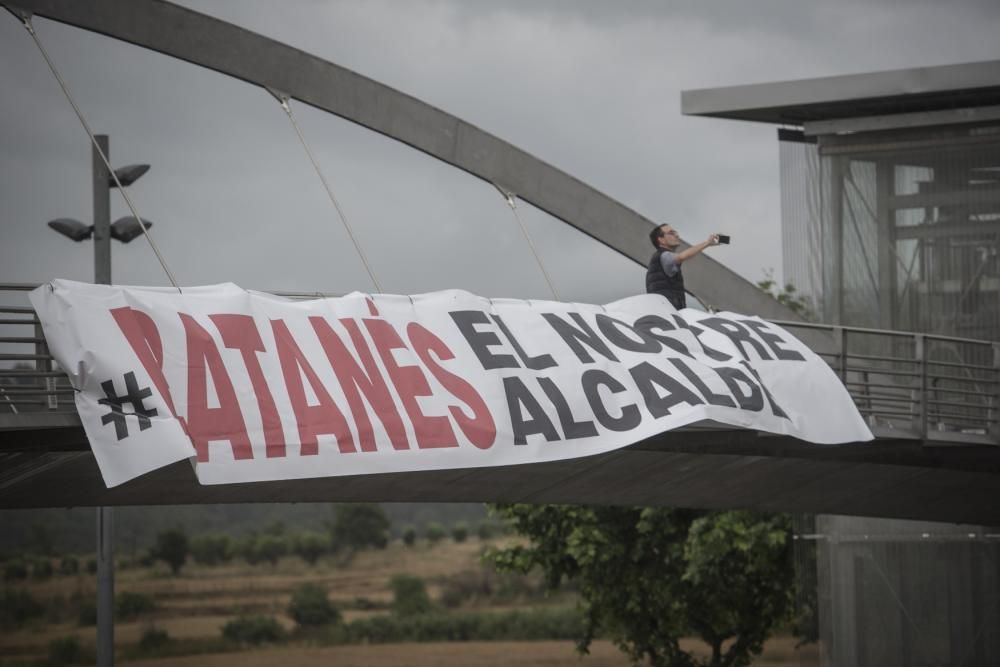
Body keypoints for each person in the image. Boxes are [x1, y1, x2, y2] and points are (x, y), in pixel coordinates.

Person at [645, 224, 719, 310]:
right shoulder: (664, 256)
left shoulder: (658, 258)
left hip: (663, 311)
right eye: (671, 233)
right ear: (661, 240)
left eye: (675, 232)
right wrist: (707, 243)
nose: (677, 235)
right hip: (668, 312)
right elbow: (681, 257)